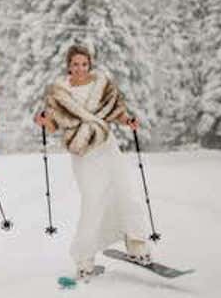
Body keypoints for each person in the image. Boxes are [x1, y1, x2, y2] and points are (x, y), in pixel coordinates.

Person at [34, 43, 151, 279]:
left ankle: (136, 242)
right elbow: (54, 123)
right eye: (75, 64)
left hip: (107, 147)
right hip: (83, 152)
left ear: (90, 64)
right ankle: (84, 259)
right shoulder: (59, 92)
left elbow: (116, 112)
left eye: (84, 64)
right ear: (68, 66)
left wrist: (128, 120)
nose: (80, 68)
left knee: (124, 191)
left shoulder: (102, 85)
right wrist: (43, 121)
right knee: (93, 200)